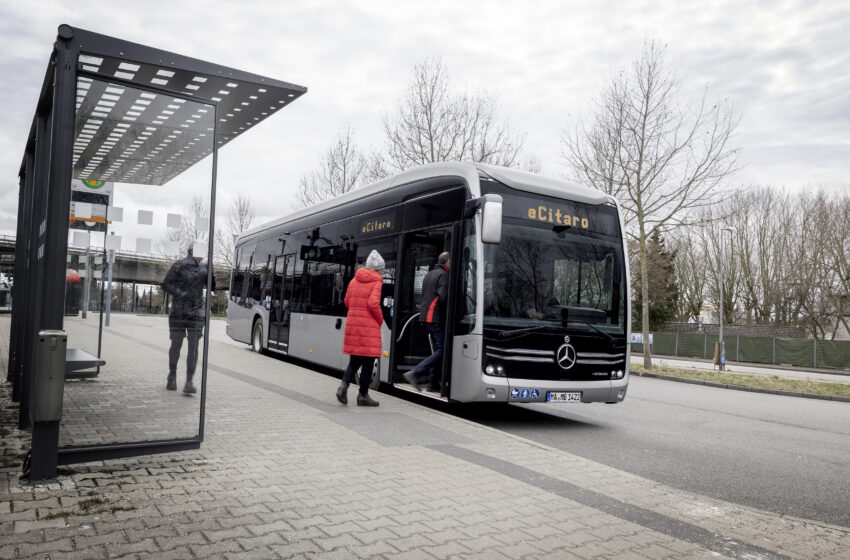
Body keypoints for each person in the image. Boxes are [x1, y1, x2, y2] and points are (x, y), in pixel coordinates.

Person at [162, 240, 215, 394]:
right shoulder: (179, 265)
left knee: (193, 347)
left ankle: (189, 380)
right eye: (200, 251)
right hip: (179, 311)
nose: (202, 254)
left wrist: (211, 272)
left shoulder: (204, 268)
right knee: (176, 346)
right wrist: (180, 293)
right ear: (192, 251)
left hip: (197, 313)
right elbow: (166, 284)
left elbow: (211, 287)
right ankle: (172, 375)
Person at [336, 250, 385, 407]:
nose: (382, 272)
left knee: (355, 361)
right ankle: (363, 396)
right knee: (369, 362)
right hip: (368, 328)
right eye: (382, 269)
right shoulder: (376, 281)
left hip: (353, 326)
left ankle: (343, 386)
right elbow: (373, 304)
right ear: (377, 269)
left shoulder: (353, 281)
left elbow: (347, 302)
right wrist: (380, 319)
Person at [404, 251, 450, 392]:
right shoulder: (444, 275)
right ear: (447, 262)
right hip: (435, 317)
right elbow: (443, 298)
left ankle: (432, 383)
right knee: (442, 350)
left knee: (437, 350)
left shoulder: (429, 274)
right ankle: (415, 373)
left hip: (426, 317)